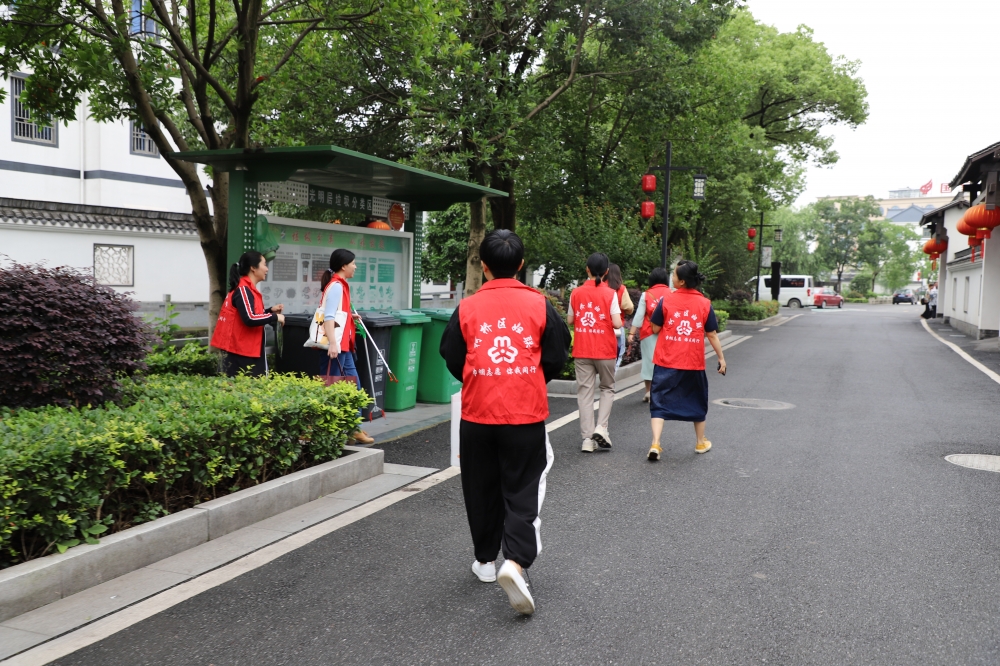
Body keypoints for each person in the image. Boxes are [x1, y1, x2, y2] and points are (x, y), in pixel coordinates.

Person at [439, 230, 571, 616]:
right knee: (522, 487)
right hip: (524, 413)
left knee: (480, 487)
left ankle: (484, 561)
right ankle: (514, 561)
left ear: (483, 266)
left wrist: (480, 379)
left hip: (477, 414)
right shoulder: (540, 305)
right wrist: (527, 378)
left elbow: (451, 354)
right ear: (521, 264)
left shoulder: (467, 307)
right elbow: (556, 354)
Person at [646, 260, 726, 462]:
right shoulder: (704, 303)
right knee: (697, 401)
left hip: (666, 361)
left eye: (674, 275)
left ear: (681, 281)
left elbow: (655, 328)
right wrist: (721, 358)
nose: (671, 278)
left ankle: (655, 443)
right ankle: (700, 442)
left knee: (658, 402)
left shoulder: (667, 300)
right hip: (692, 362)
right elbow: (712, 334)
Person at [568, 253, 623, 452]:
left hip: (582, 350)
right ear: (607, 272)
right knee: (607, 388)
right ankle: (601, 428)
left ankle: (587, 440)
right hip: (605, 350)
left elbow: (570, 320)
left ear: (587, 270)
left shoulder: (576, 293)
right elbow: (617, 322)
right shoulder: (610, 294)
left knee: (585, 394)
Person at [319, 249, 374, 446]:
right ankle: (337, 429)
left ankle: (353, 428)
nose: (355, 266)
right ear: (343, 266)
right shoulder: (336, 286)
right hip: (338, 346)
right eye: (353, 263)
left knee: (354, 386)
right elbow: (329, 317)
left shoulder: (339, 285)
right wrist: (333, 343)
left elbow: (335, 314)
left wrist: (350, 317)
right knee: (334, 387)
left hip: (344, 346)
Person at [210, 251, 285, 377]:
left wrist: (269, 311)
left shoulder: (246, 288)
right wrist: (275, 316)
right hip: (241, 353)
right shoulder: (243, 289)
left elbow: (250, 314)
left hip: (244, 351)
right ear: (253, 268)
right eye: (264, 264)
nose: (267, 269)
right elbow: (249, 318)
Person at [627, 267, 672, 403]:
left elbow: (639, 316)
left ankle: (649, 392)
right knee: (666, 361)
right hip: (667, 332)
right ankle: (663, 392)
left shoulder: (646, 295)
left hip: (648, 332)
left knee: (648, 361)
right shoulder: (672, 293)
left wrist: (631, 333)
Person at [606, 263, 634, 373]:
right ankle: (611, 377)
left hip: (603, 326)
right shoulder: (620, 289)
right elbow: (629, 307)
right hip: (617, 326)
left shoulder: (602, 287)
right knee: (618, 353)